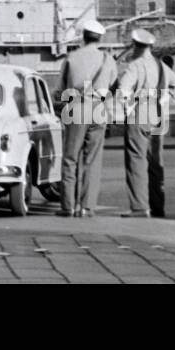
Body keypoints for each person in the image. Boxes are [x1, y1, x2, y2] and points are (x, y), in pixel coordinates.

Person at [115, 28, 175, 218]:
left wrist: (127, 108)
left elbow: (123, 92)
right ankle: (157, 206)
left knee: (136, 161)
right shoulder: (161, 66)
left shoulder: (134, 65)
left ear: (135, 46)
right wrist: (164, 99)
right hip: (158, 118)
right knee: (155, 163)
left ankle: (139, 207)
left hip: (139, 116)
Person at [56, 19, 117, 217]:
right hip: (99, 108)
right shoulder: (108, 59)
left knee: (70, 159)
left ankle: (68, 206)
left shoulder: (71, 58)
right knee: (92, 160)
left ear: (83, 36)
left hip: (76, 107)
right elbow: (114, 86)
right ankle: (86, 207)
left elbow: (60, 90)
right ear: (99, 38)